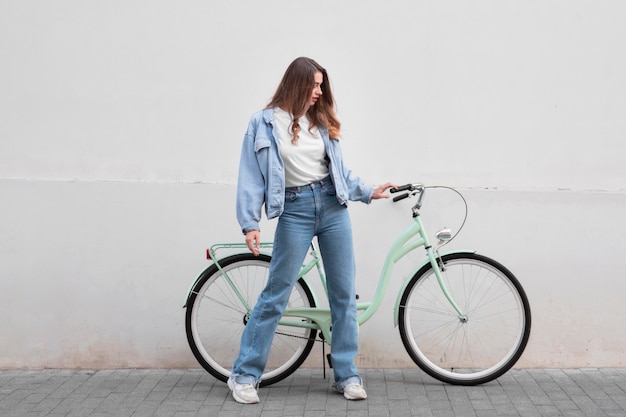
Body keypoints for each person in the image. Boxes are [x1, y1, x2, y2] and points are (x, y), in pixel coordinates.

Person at [230, 57, 396, 404]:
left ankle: (347, 375)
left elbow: (338, 171)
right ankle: (244, 375)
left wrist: (368, 191)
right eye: (315, 84)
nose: (320, 91)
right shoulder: (263, 123)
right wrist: (250, 223)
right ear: (297, 84)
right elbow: (250, 177)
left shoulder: (320, 121)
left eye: (322, 85)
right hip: (294, 210)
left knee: (343, 296)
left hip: (333, 207)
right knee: (276, 293)